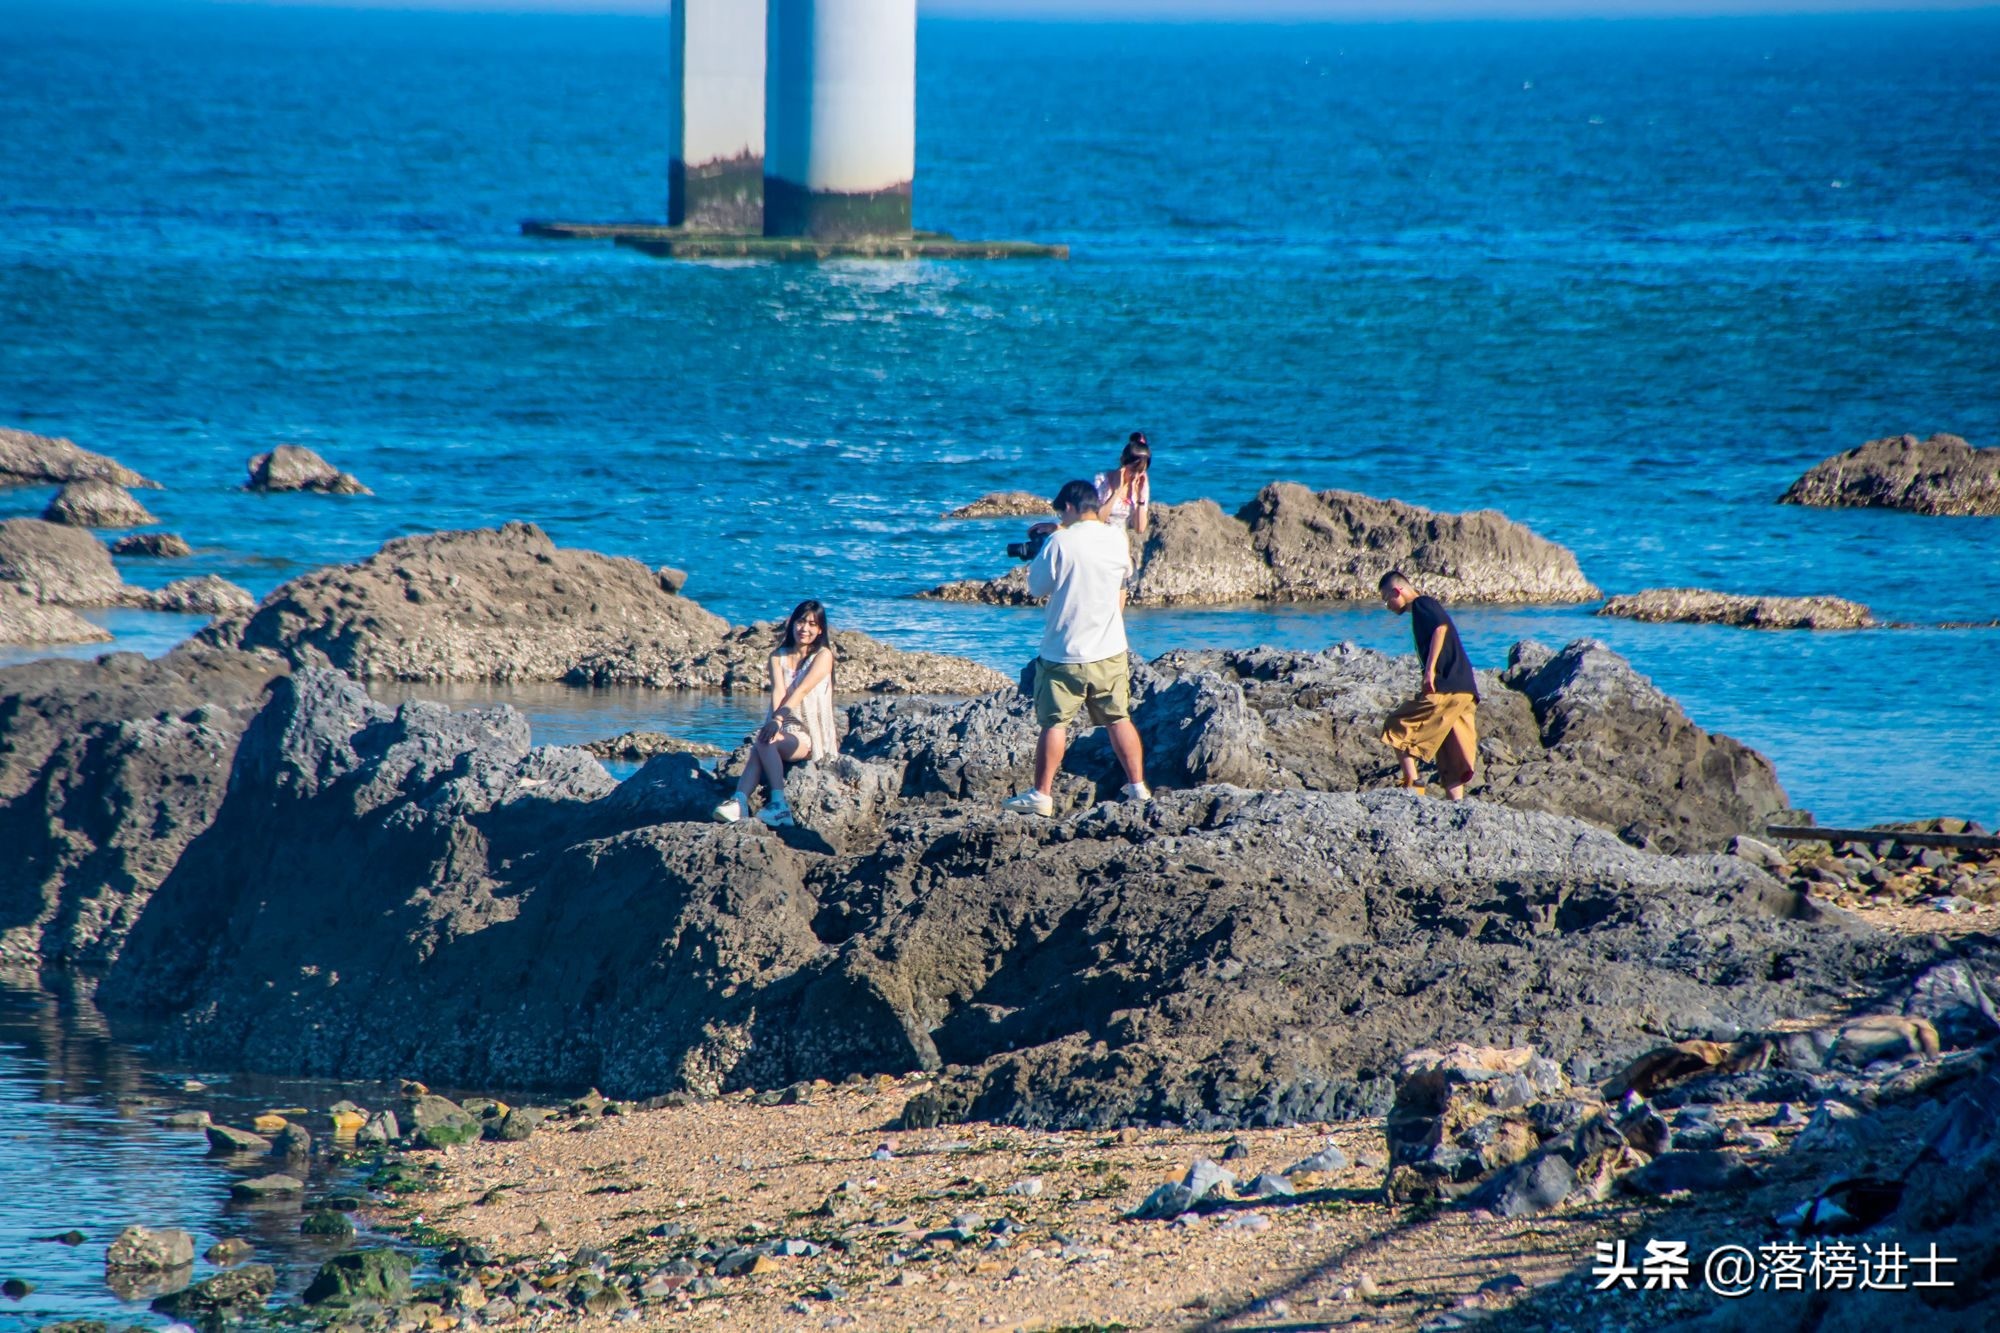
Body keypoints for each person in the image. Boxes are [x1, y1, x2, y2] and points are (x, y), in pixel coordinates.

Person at [1003, 479, 1150, 817]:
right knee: (1118, 719)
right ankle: (1138, 787)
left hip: (1064, 652)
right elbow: (1123, 573)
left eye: (1060, 511)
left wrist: (1045, 549)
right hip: (1110, 648)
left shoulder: (1059, 542)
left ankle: (1042, 794)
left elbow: (1037, 588)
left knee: (1054, 724)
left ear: (1069, 506)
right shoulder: (1115, 537)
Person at [713, 600, 839, 828]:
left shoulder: (823, 655)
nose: (805, 628)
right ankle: (739, 801)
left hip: (809, 734)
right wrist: (775, 723)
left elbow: (802, 690)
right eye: (801, 621)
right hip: (784, 730)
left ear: (820, 629)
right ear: (792, 623)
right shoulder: (778, 656)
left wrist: (777, 720)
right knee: (763, 741)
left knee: (764, 741)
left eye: (812, 624)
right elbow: (779, 692)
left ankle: (778, 805)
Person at [1376, 571, 1479, 800]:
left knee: (1396, 725)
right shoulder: (1424, 608)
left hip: (1448, 688)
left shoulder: (1422, 603)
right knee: (1452, 752)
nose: (1387, 605)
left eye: (1386, 598)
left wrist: (1430, 671)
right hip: (1465, 691)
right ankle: (1457, 805)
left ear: (1397, 591)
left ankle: (1413, 783)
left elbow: (1440, 629)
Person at [1094, 432, 1152, 537]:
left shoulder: (1141, 486)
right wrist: (1116, 491)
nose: (1135, 476)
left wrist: (1141, 498)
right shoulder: (1102, 480)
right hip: (1100, 539)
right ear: (1123, 463)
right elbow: (1097, 520)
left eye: (1140, 472)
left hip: (1120, 543)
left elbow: (1140, 529)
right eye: (1132, 470)